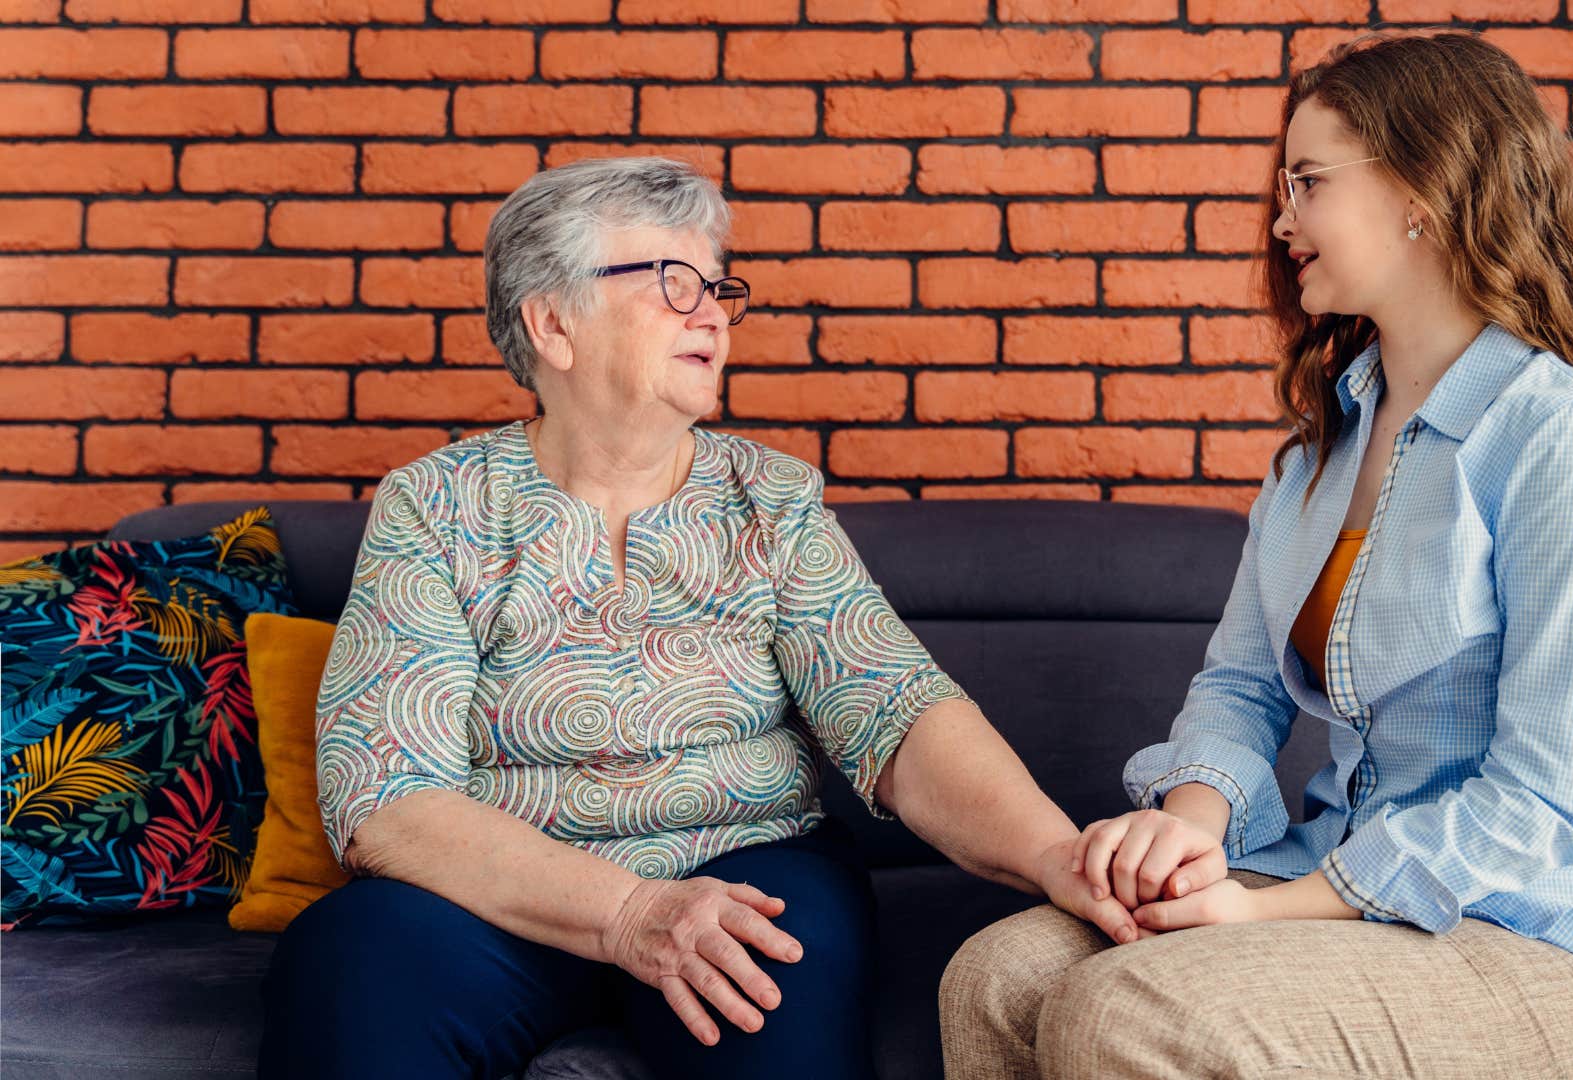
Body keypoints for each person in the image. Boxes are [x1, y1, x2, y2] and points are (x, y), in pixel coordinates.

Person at [941, 31, 1573, 1079]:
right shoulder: (1323, 450)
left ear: (1422, 192)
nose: (1281, 221)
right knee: (996, 977)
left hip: (1538, 937)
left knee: (1130, 1009)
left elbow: (1544, 797)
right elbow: (1241, 687)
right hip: (1342, 888)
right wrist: (1190, 828)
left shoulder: (1565, 438)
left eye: (1308, 183)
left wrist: (1265, 912)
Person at [257, 156, 1134, 1080]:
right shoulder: (436, 506)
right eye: (674, 283)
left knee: (776, 991)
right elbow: (388, 800)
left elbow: (897, 712)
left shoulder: (772, 499)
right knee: (347, 967)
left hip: (744, 869)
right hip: (495, 894)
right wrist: (628, 912)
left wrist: (1055, 854)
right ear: (553, 323)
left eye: (717, 287)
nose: (712, 313)